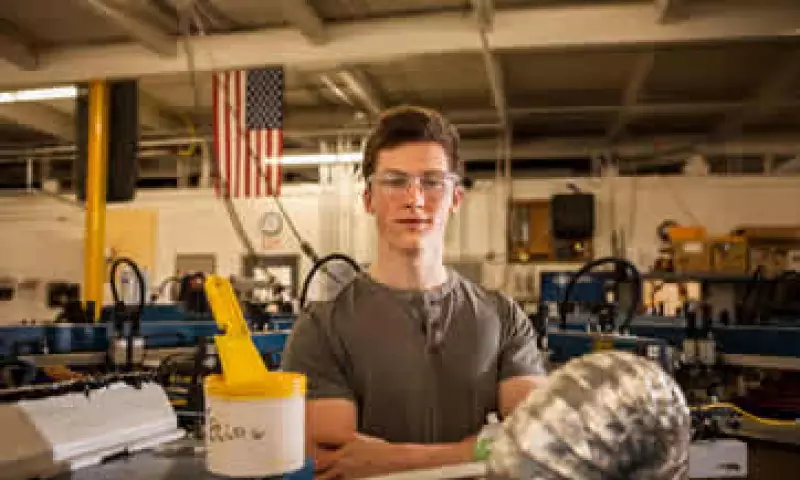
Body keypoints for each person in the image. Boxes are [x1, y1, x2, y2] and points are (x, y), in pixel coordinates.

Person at [281, 105, 547, 479]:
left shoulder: (503, 317)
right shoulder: (322, 328)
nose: (415, 199)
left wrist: (394, 460)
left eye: (432, 182)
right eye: (395, 181)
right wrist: (478, 451)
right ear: (368, 199)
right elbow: (334, 460)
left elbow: (540, 441)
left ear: (456, 198)